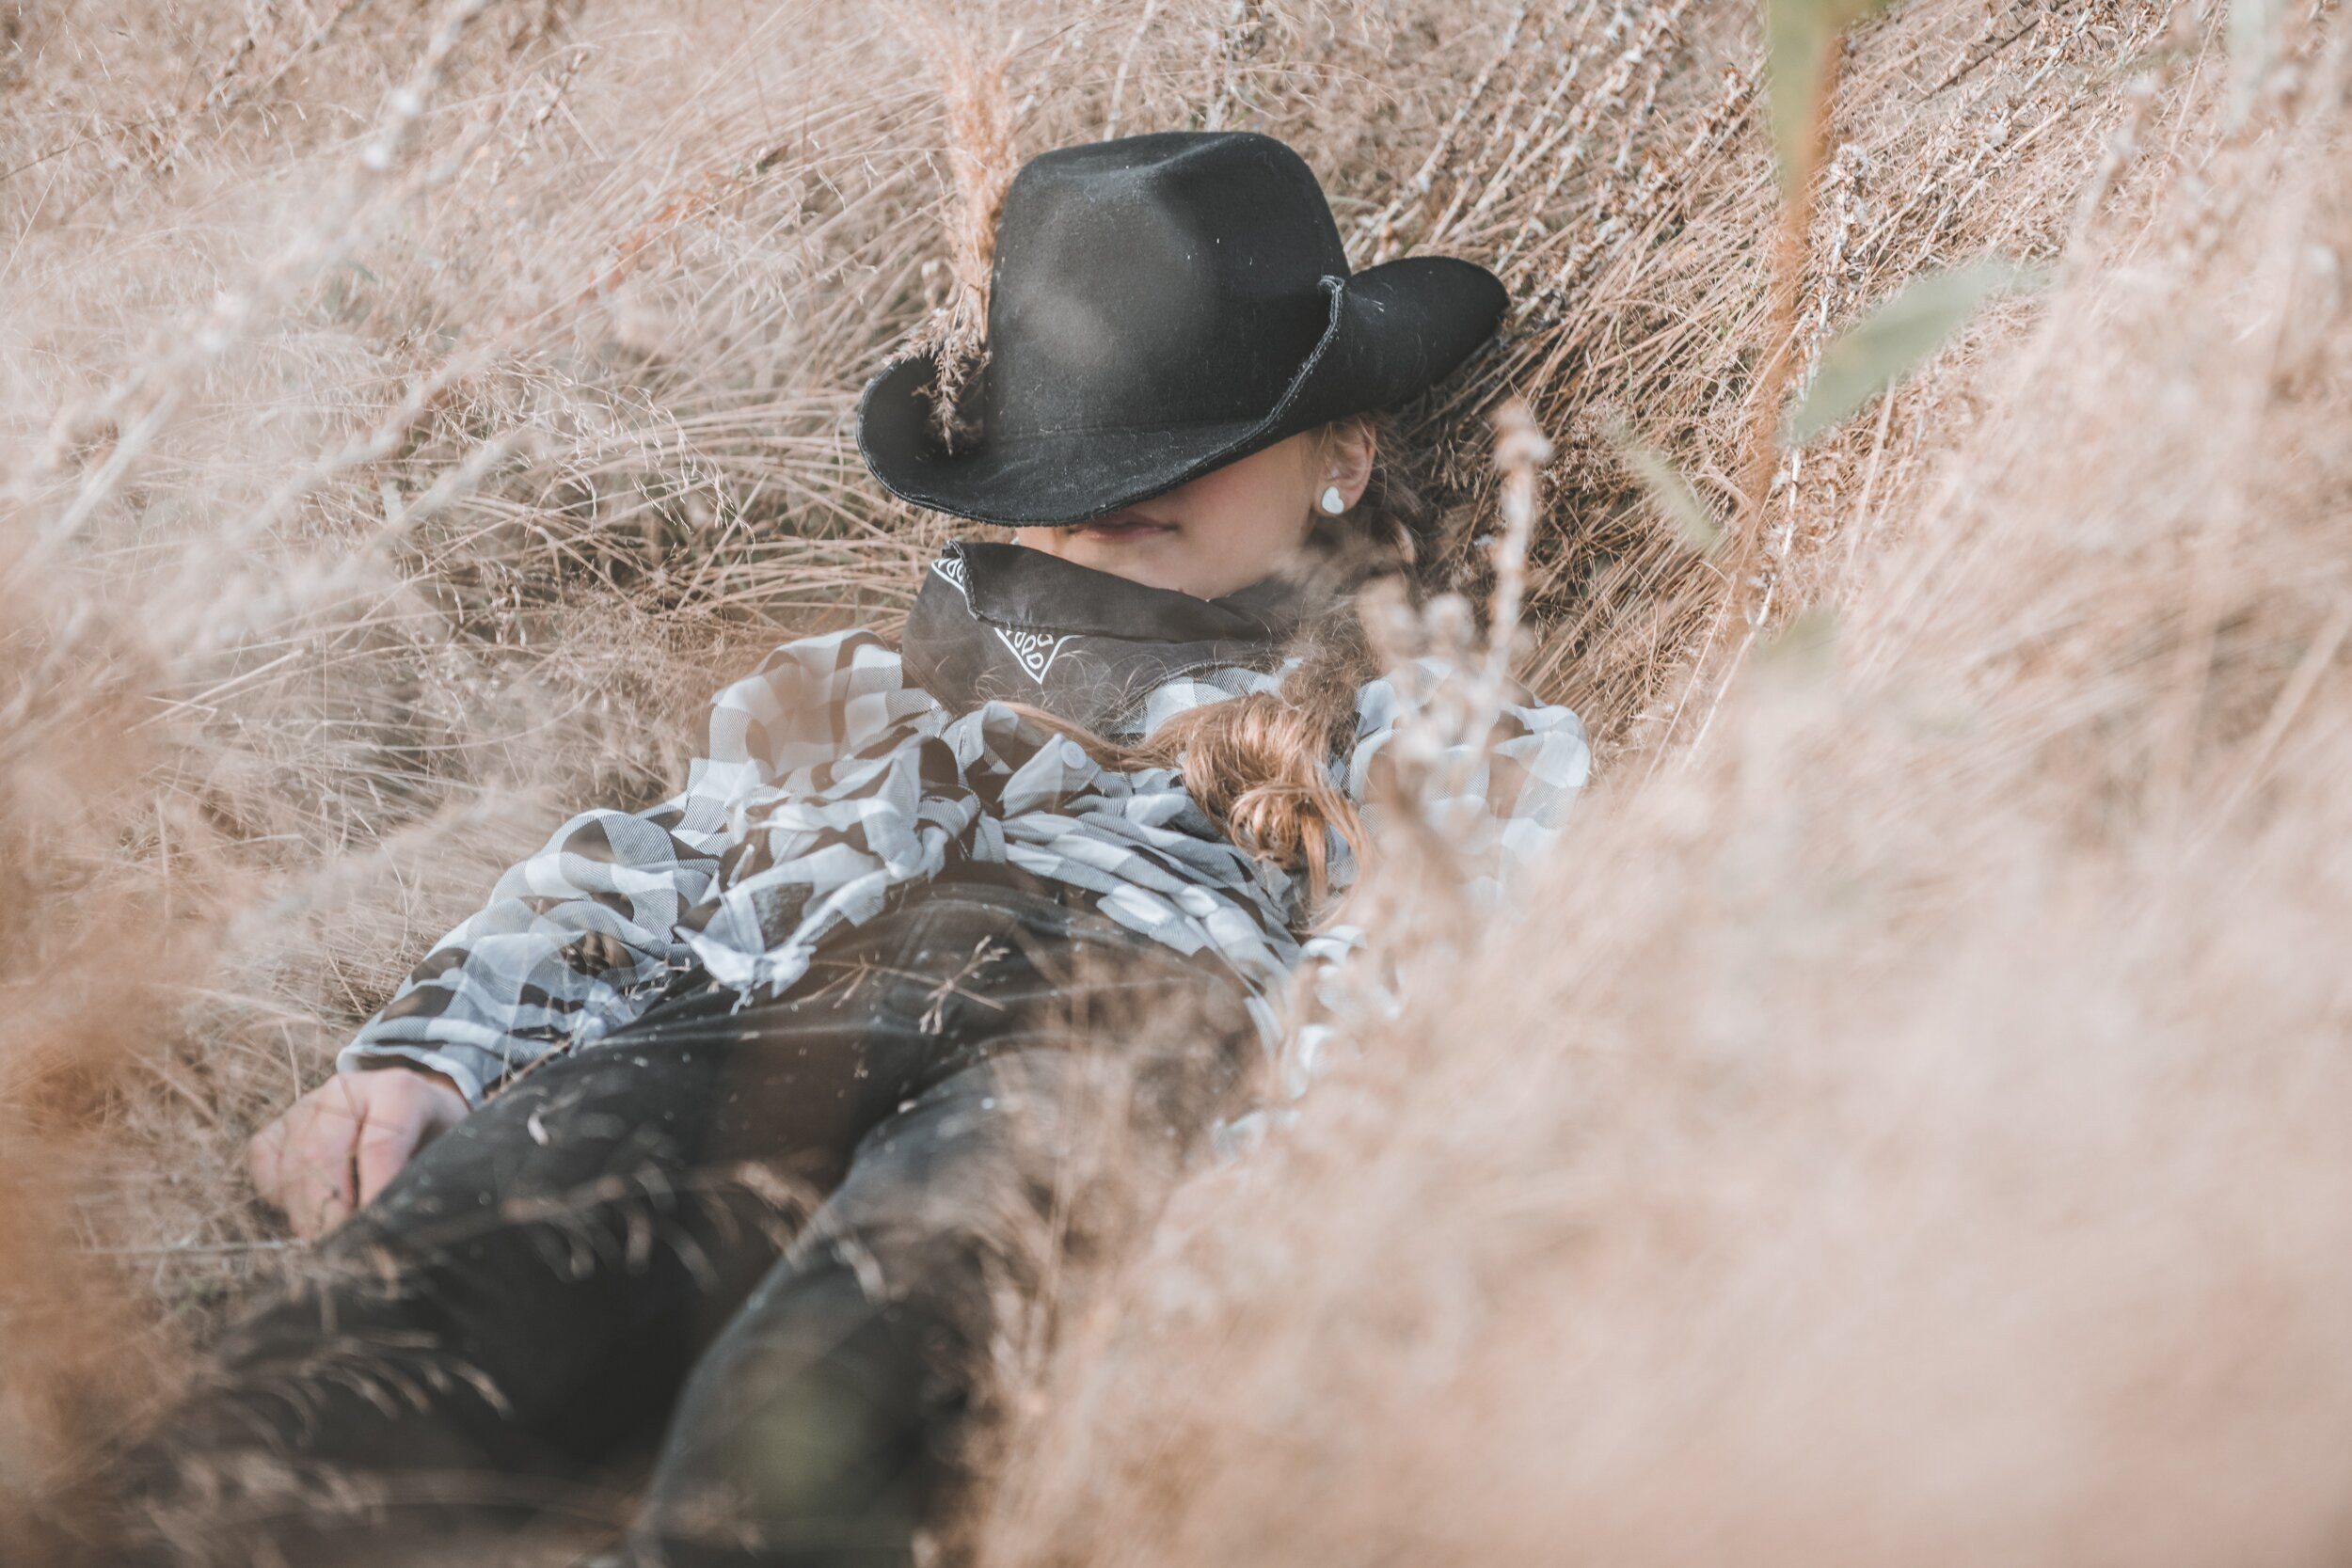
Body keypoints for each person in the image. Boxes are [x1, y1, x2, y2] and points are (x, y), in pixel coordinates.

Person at [106, 130, 1590, 1568]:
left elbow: (1408, 996)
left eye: (1183, 443)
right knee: (348, 1371)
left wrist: (1242, 1242)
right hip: (751, 1017)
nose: (1115, 491)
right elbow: (648, 866)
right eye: (1069, 456)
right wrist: (429, 1051)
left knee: (812, 1432)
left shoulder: (1419, 727)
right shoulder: (866, 687)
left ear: (1342, 450)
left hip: (1098, 1049)